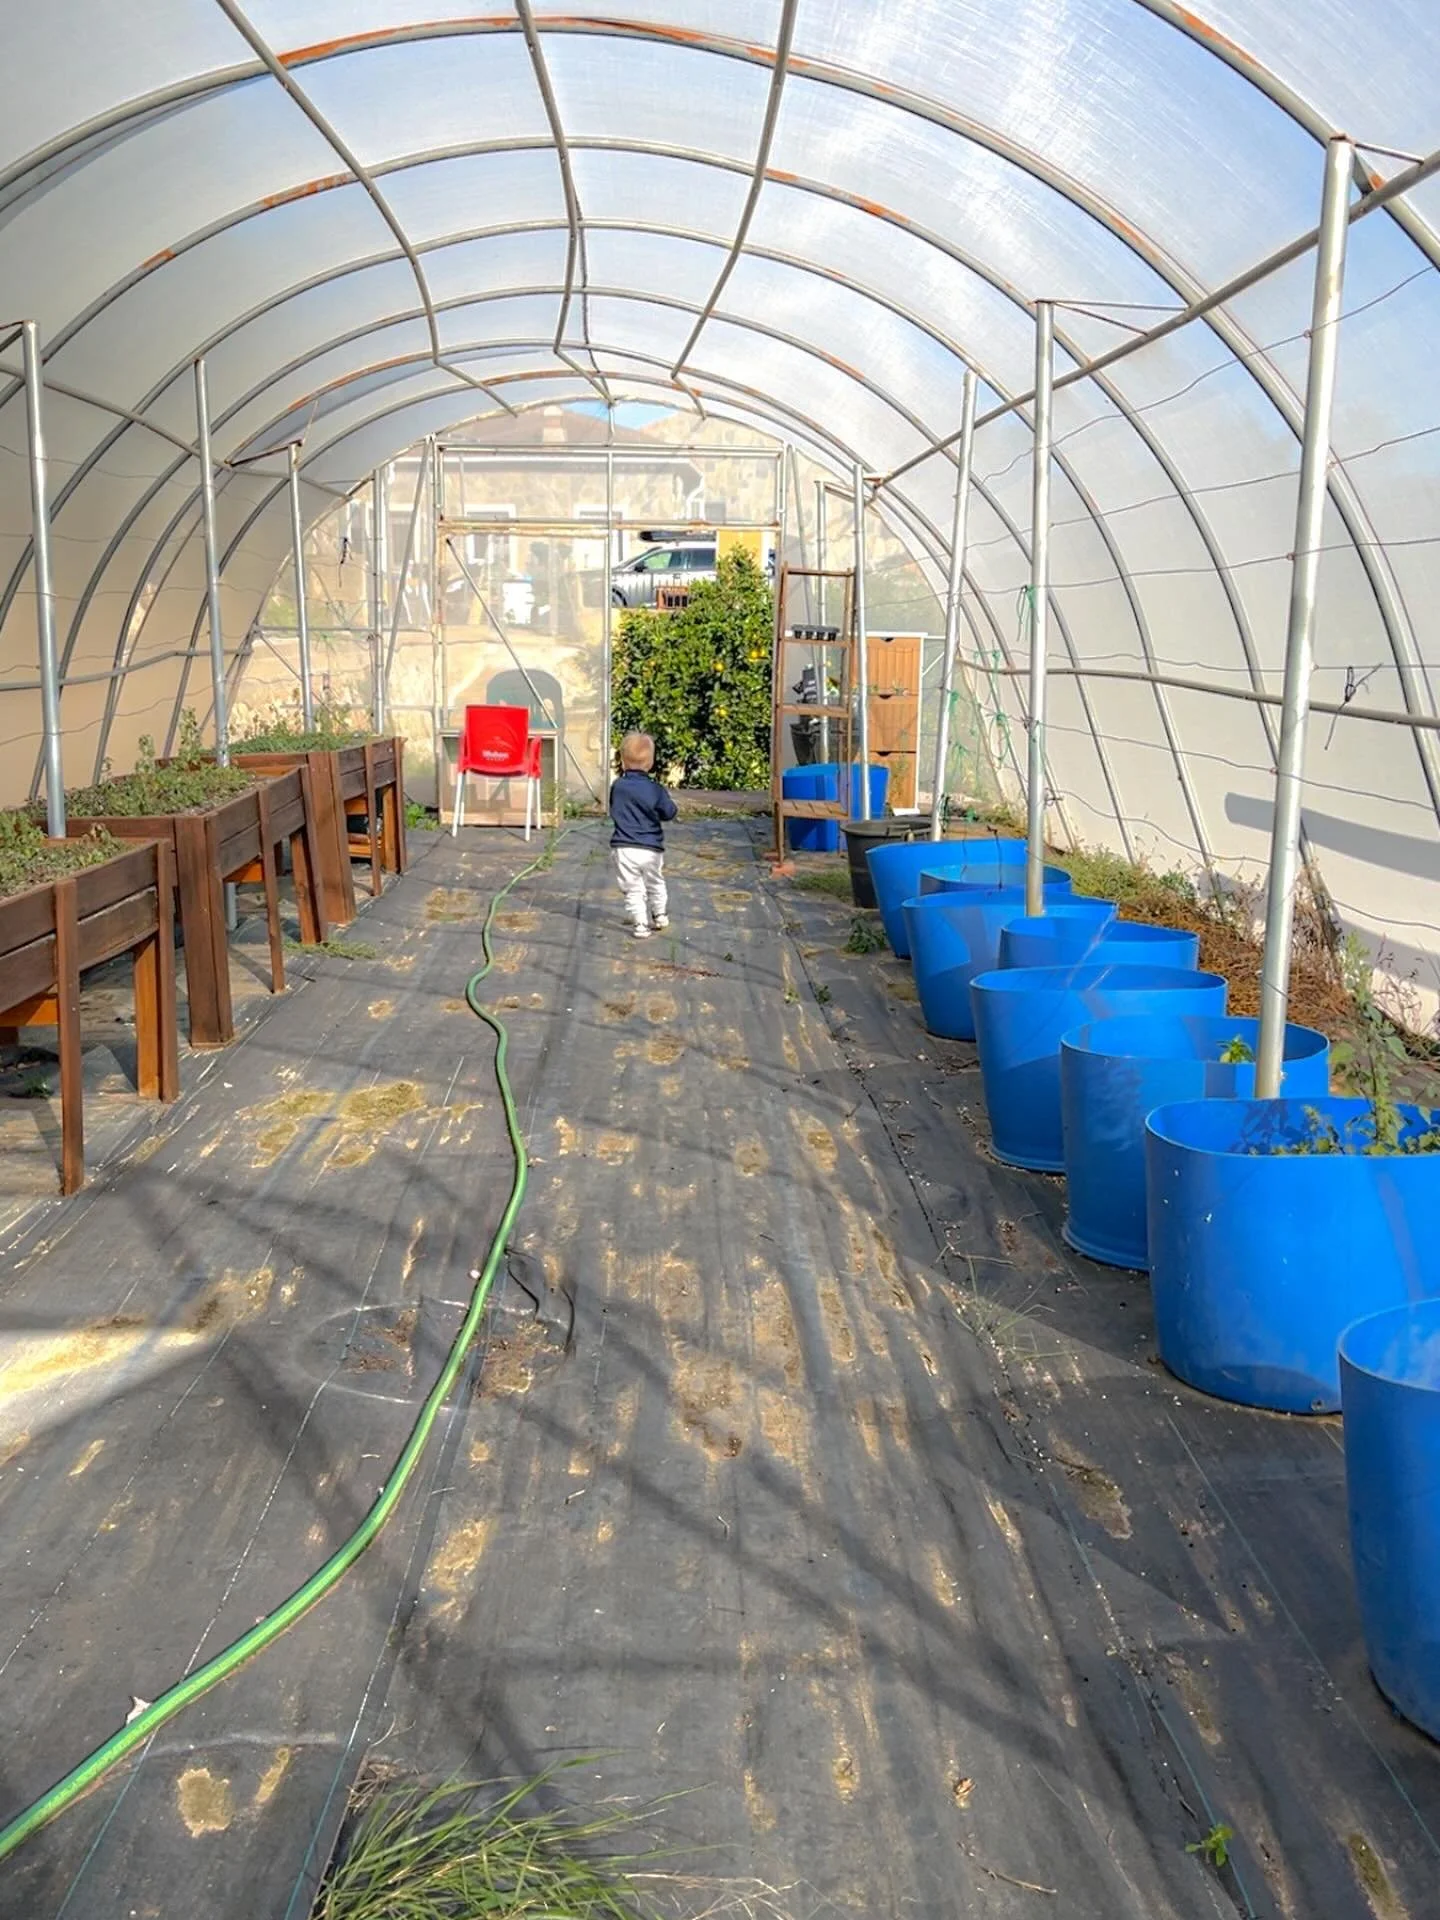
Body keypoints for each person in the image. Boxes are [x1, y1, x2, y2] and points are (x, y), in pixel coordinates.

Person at [609, 732, 677, 939]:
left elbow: (614, 809)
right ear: (651, 762)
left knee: (632, 887)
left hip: (624, 847)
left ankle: (640, 924)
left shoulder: (617, 787)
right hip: (651, 848)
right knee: (655, 881)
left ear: (622, 761)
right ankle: (660, 915)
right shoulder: (655, 790)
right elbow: (669, 812)